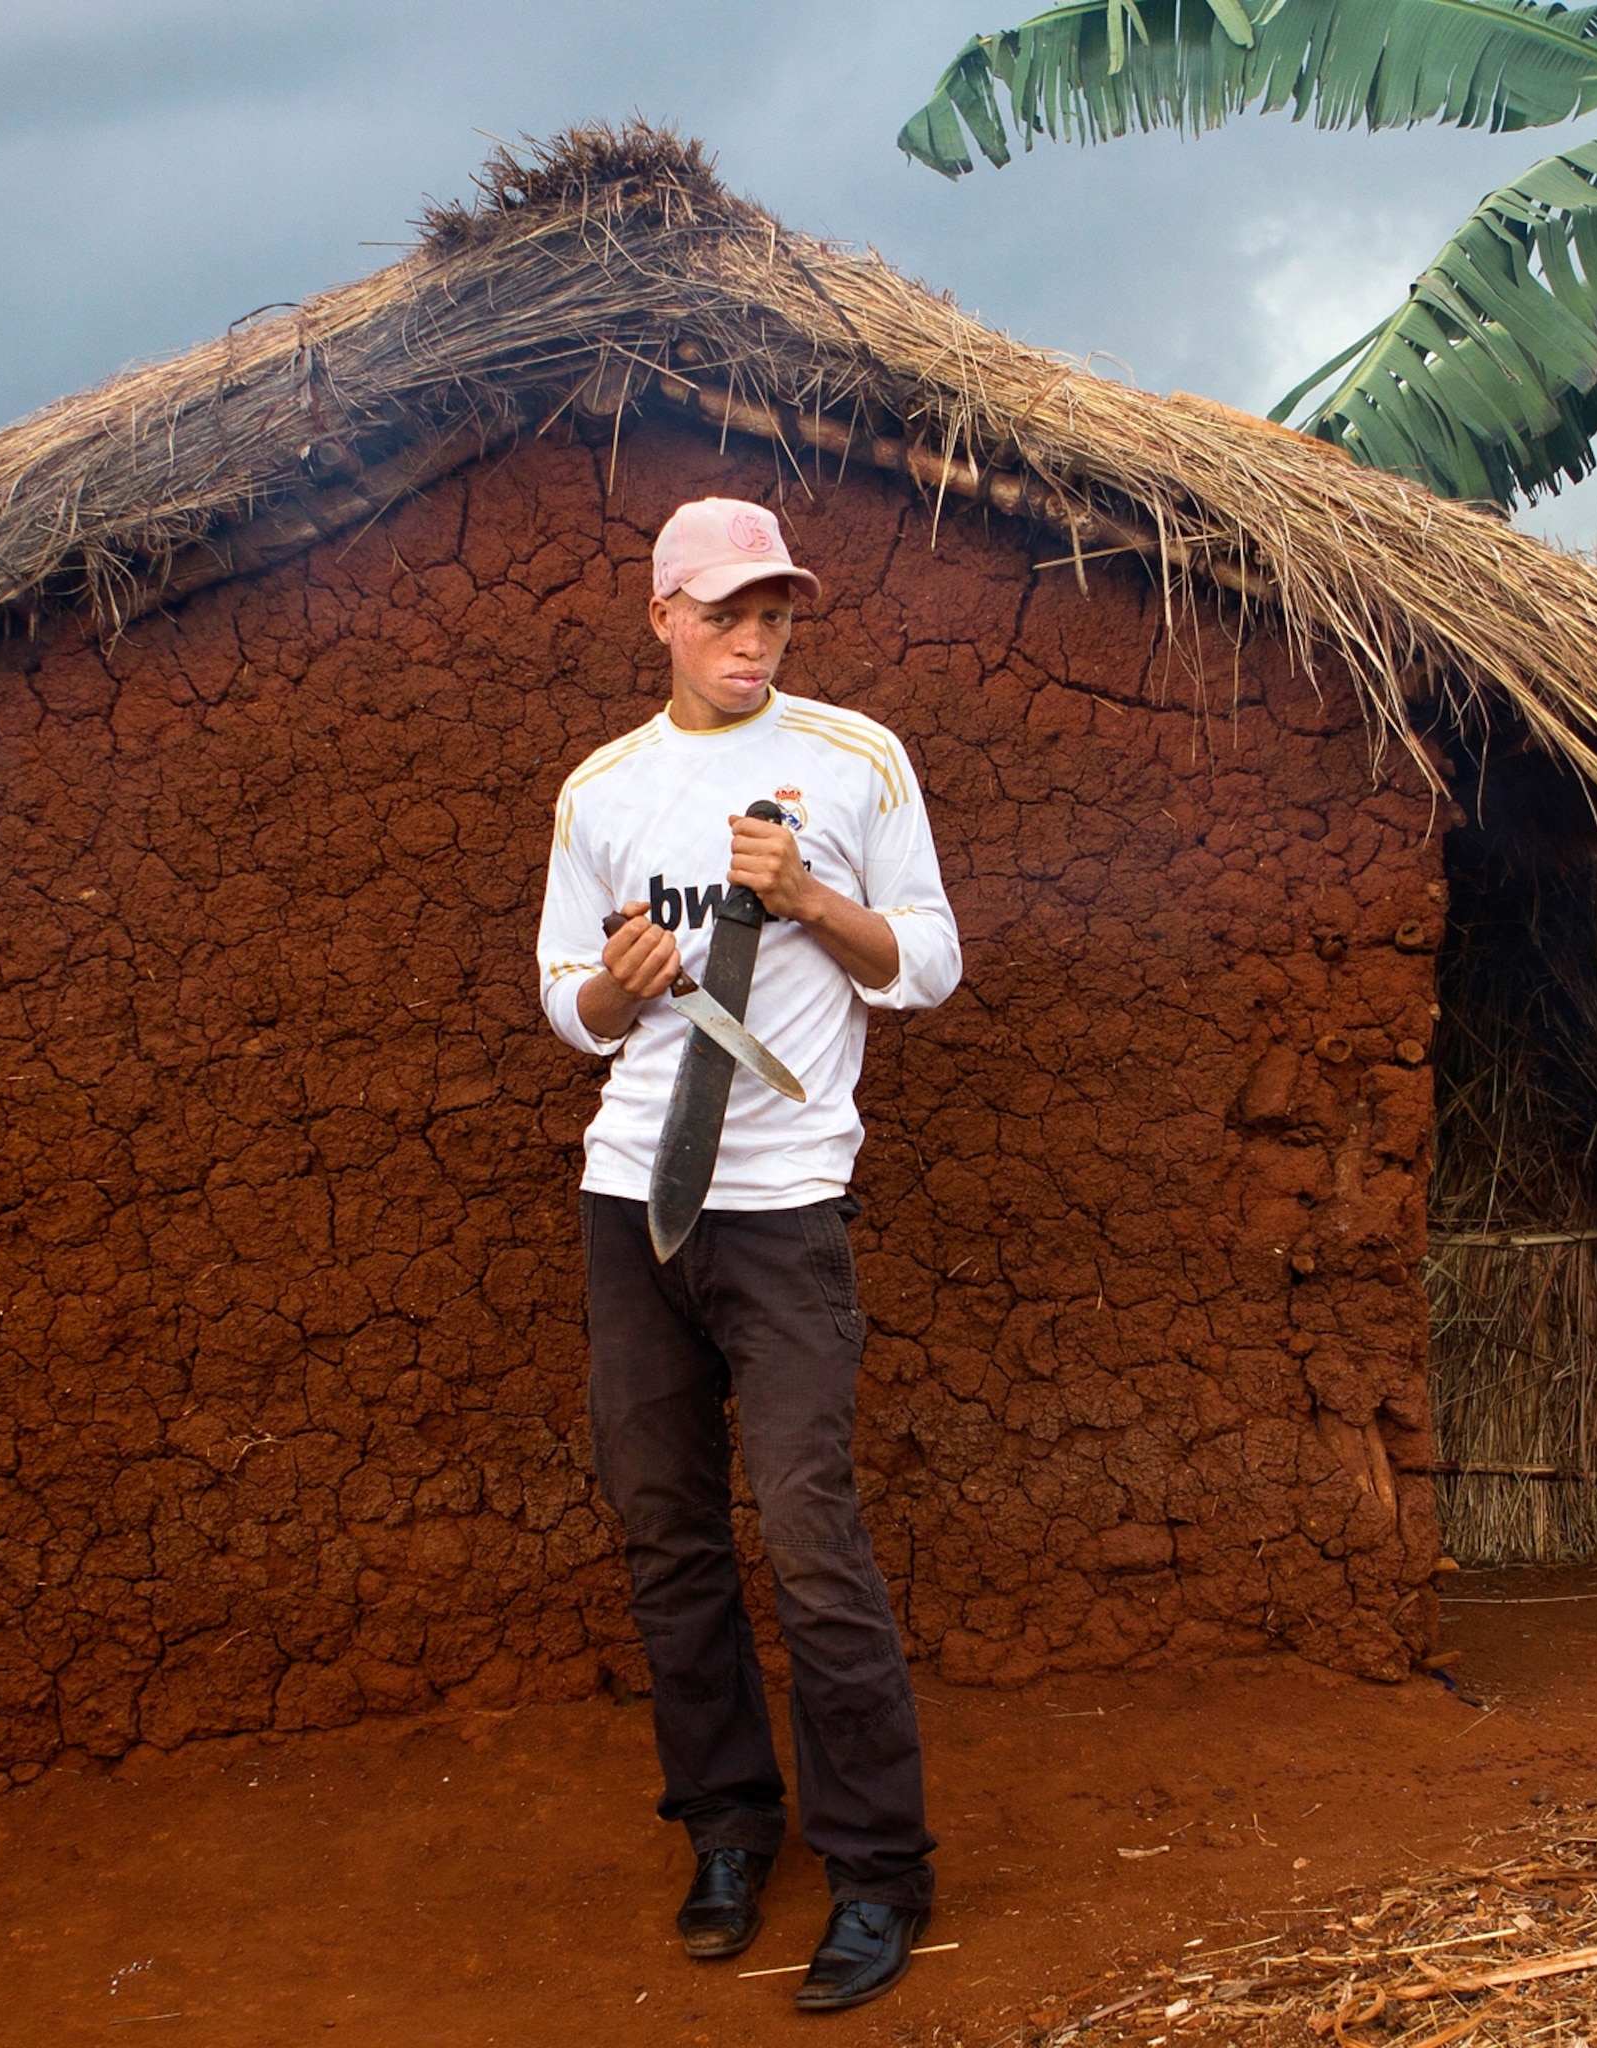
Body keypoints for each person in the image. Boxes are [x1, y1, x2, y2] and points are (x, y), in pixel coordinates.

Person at [535, 497, 962, 2011]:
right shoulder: (604, 791)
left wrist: (810, 901)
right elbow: (558, 997)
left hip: (784, 1212)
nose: (753, 637)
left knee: (808, 1535)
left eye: (774, 612)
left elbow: (930, 965)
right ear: (661, 616)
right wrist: (612, 990)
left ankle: (877, 1871)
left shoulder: (856, 760)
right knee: (667, 1534)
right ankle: (725, 1826)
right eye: (724, 612)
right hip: (629, 1200)